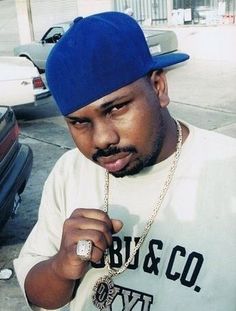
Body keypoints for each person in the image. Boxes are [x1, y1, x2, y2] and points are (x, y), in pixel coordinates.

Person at [14, 11, 236, 311]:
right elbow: (40, 296)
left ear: (158, 88)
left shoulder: (226, 169)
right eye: (79, 122)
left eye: (116, 108)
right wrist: (60, 268)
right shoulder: (70, 171)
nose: (102, 139)